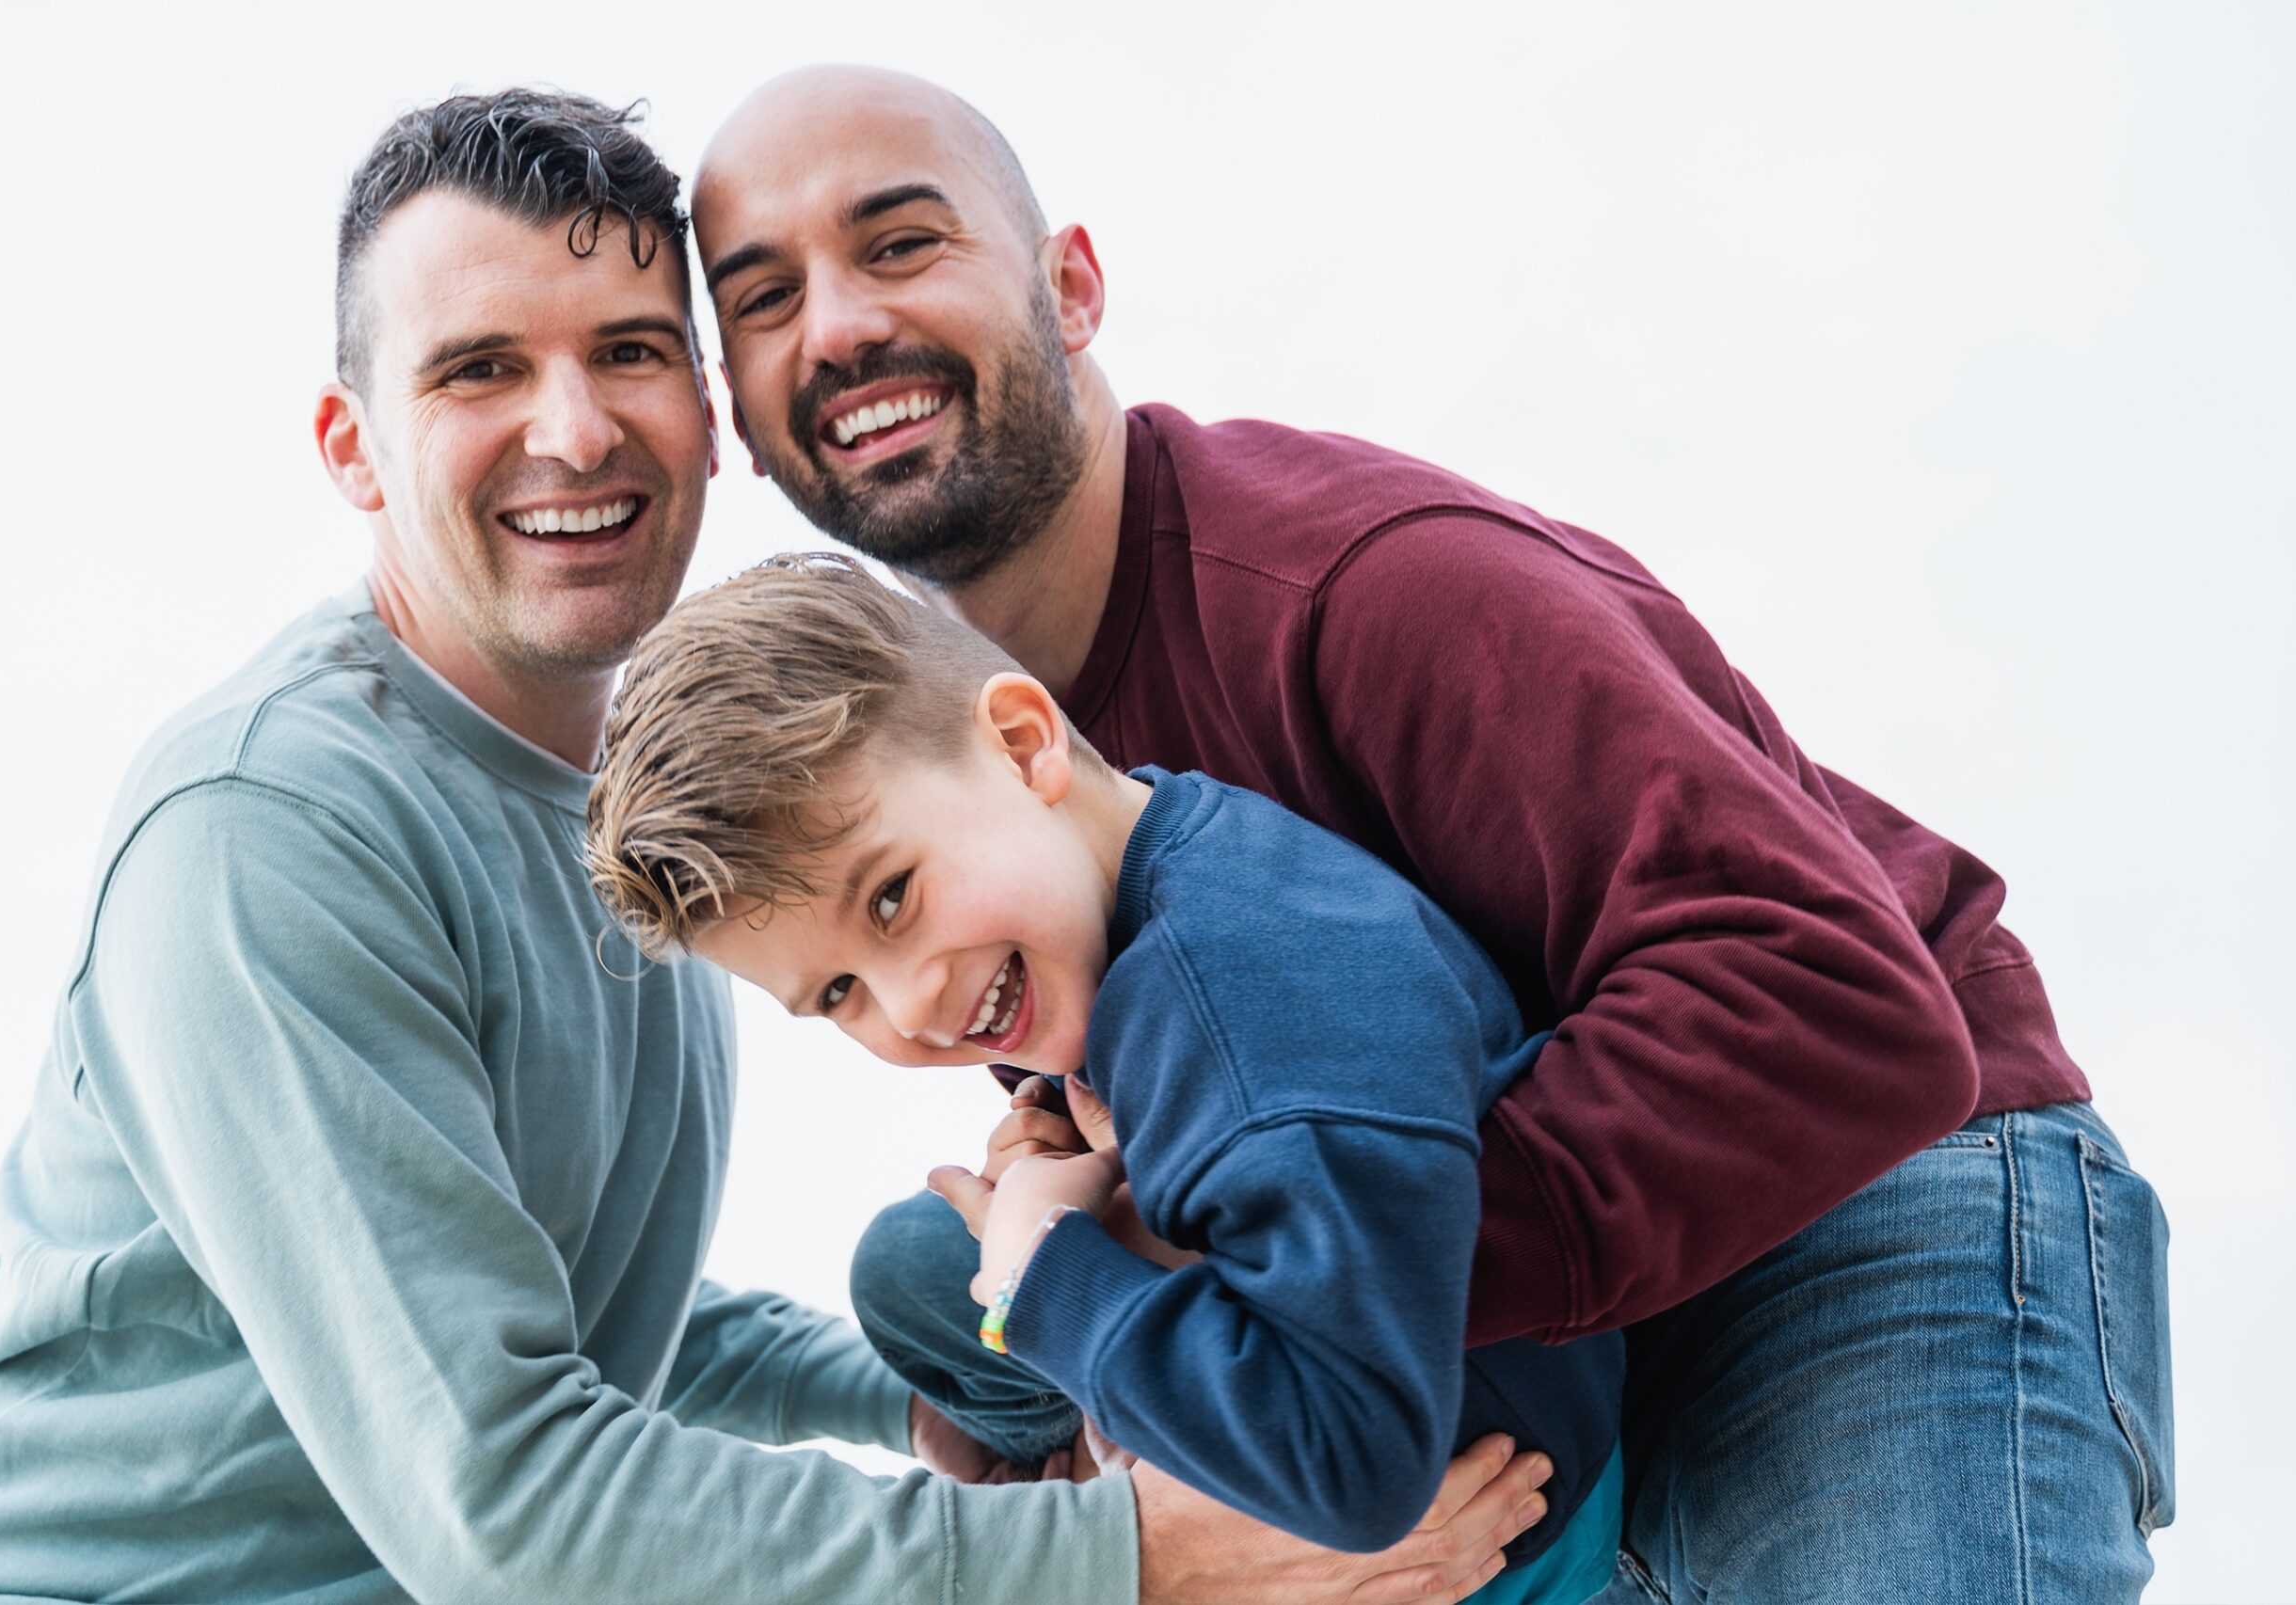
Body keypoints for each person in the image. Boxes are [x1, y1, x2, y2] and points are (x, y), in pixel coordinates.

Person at [0, 88, 1546, 1605]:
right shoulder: (266, 840)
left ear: (711, 420)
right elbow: (508, 1513)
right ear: (351, 447)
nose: (574, 430)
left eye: (631, 352)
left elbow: (547, 1313)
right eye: (479, 370)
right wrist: (1133, 1557)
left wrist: (930, 1391)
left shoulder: (657, 827)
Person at [690, 66, 2178, 1602]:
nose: (840, 323)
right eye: (764, 297)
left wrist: (1269, 1272)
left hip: (1869, 1206)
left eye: (900, 244)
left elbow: (1842, 1015)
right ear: (739, 408)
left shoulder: (1364, 588)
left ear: (1071, 288)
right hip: (1560, 1355)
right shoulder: (959, 821)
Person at [585, 552, 1628, 1599]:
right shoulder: (1170, 857)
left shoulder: (1230, 1008)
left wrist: (1049, 1269)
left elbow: (1359, 1469)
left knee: (1010, 1274)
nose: (906, 1006)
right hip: (1349, 1309)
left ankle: (1141, 1474)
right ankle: (1116, 1443)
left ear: (1020, 741)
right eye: (839, 991)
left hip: (1500, 1513)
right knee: (912, 1264)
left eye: (892, 898)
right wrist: (1080, 1166)